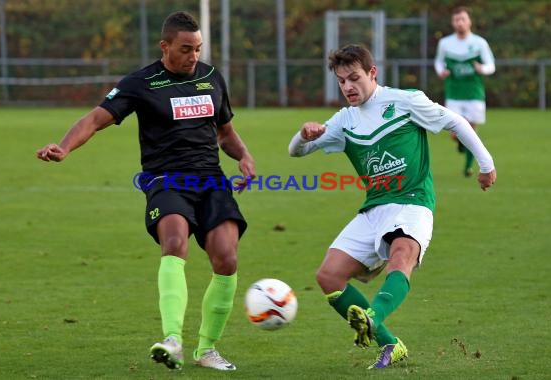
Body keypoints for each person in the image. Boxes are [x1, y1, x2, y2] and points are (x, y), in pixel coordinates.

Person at [36, 11, 255, 372]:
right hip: (165, 179)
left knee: (226, 259)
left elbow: (226, 132)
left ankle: (207, 349)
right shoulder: (142, 82)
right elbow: (94, 119)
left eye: (198, 49)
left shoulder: (212, 78)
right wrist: (64, 147)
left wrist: (244, 156)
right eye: (185, 49)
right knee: (174, 243)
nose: (193, 56)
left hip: (211, 180)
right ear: (165, 46)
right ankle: (172, 339)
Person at [288, 44, 496, 369]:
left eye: (354, 78)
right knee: (329, 276)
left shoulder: (405, 100)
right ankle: (391, 343)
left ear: (373, 73)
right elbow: (295, 152)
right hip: (374, 208)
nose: (348, 87)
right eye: (341, 81)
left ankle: (373, 316)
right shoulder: (344, 120)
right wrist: (304, 135)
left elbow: (456, 122)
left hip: (413, 202)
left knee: (402, 254)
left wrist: (486, 165)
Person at [434, 6, 496, 177]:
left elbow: (491, 66)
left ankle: (468, 167)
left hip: (474, 94)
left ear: (469, 21)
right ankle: (461, 144)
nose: (460, 22)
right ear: (452, 23)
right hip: (454, 93)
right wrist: (441, 71)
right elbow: (439, 62)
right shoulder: (445, 43)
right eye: (456, 20)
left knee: (471, 131)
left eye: (463, 19)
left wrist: (482, 68)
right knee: (455, 133)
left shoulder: (479, 43)